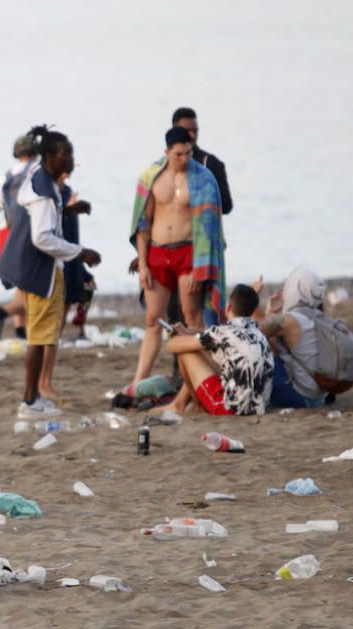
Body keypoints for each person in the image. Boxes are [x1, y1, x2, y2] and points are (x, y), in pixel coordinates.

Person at [0, 125, 101, 416]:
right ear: (50, 157)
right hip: (42, 271)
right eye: (65, 154)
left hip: (31, 269)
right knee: (41, 338)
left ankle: (32, 399)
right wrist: (80, 252)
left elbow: (31, 213)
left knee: (40, 336)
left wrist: (67, 211)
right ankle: (30, 401)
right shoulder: (44, 191)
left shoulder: (39, 180)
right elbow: (41, 237)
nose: (70, 160)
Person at [129, 127, 226, 387]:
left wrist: (201, 266)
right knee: (153, 320)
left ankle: (205, 377)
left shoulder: (203, 179)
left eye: (188, 153)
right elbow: (142, 224)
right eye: (179, 154)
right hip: (158, 254)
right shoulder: (152, 177)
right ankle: (139, 380)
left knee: (191, 316)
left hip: (188, 254)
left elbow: (210, 226)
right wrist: (143, 263)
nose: (184, 159)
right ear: (167, 152)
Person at [164, 284, 274, 415]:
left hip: (231, 407)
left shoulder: (223, 333)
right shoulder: (257, 332)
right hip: (259, 406)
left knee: (186, 351)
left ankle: (195, 405)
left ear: (228, 306)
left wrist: (172, 335)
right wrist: (186, 331)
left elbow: (172, 346)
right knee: (204, 348)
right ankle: (185, 403)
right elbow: (210, 335)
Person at [0, 135, 38, 340]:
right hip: (27, 236)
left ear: (17, 154)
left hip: (4, 236)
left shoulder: (5, 178)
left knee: (22, 287)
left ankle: (21, 332)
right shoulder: (38, 174)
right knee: (35, 290)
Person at [256, 268, 331, 408]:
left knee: (261, 346)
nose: (284, 292)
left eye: (287, 288)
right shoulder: (321, 317)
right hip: (321, 396)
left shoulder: (290, 320)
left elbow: (258, 331)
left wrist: (266, 309)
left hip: (301, 398)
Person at [172, 107, 233, 215]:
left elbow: (226, 206)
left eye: (195, 130)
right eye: (187, 131)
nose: (192, 135)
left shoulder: (211, 163)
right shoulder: (159, 169)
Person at [58, 170, 96, 337]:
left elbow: (71, 240)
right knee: (58, 311)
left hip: (71, 259)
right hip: (58, 263)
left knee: (87, 287)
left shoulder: (66, 192)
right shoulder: (48, 196)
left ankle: (75, 327)